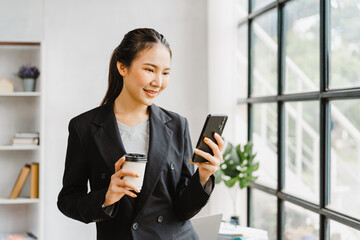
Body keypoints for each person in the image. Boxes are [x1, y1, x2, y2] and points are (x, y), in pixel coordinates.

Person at [57, 28, 224, 240]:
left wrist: (203, 176)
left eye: (165, 73)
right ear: (122, 67)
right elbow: (68, 200)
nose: (158, 82)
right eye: (149, 70)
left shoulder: (177, 125)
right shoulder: (84, 127)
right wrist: (106, 197)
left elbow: (184, 209)